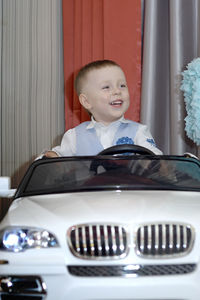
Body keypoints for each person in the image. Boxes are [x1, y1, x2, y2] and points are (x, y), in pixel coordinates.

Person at [43, 60, 162, 157]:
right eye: (106, 87)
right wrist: (51, 156)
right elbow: (54, 159)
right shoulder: (74, 136)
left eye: (122, 85)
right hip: (88, 187)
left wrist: (155, 164)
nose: (117, 91)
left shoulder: (139, 132)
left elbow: (156, 159)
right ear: (86, 101)